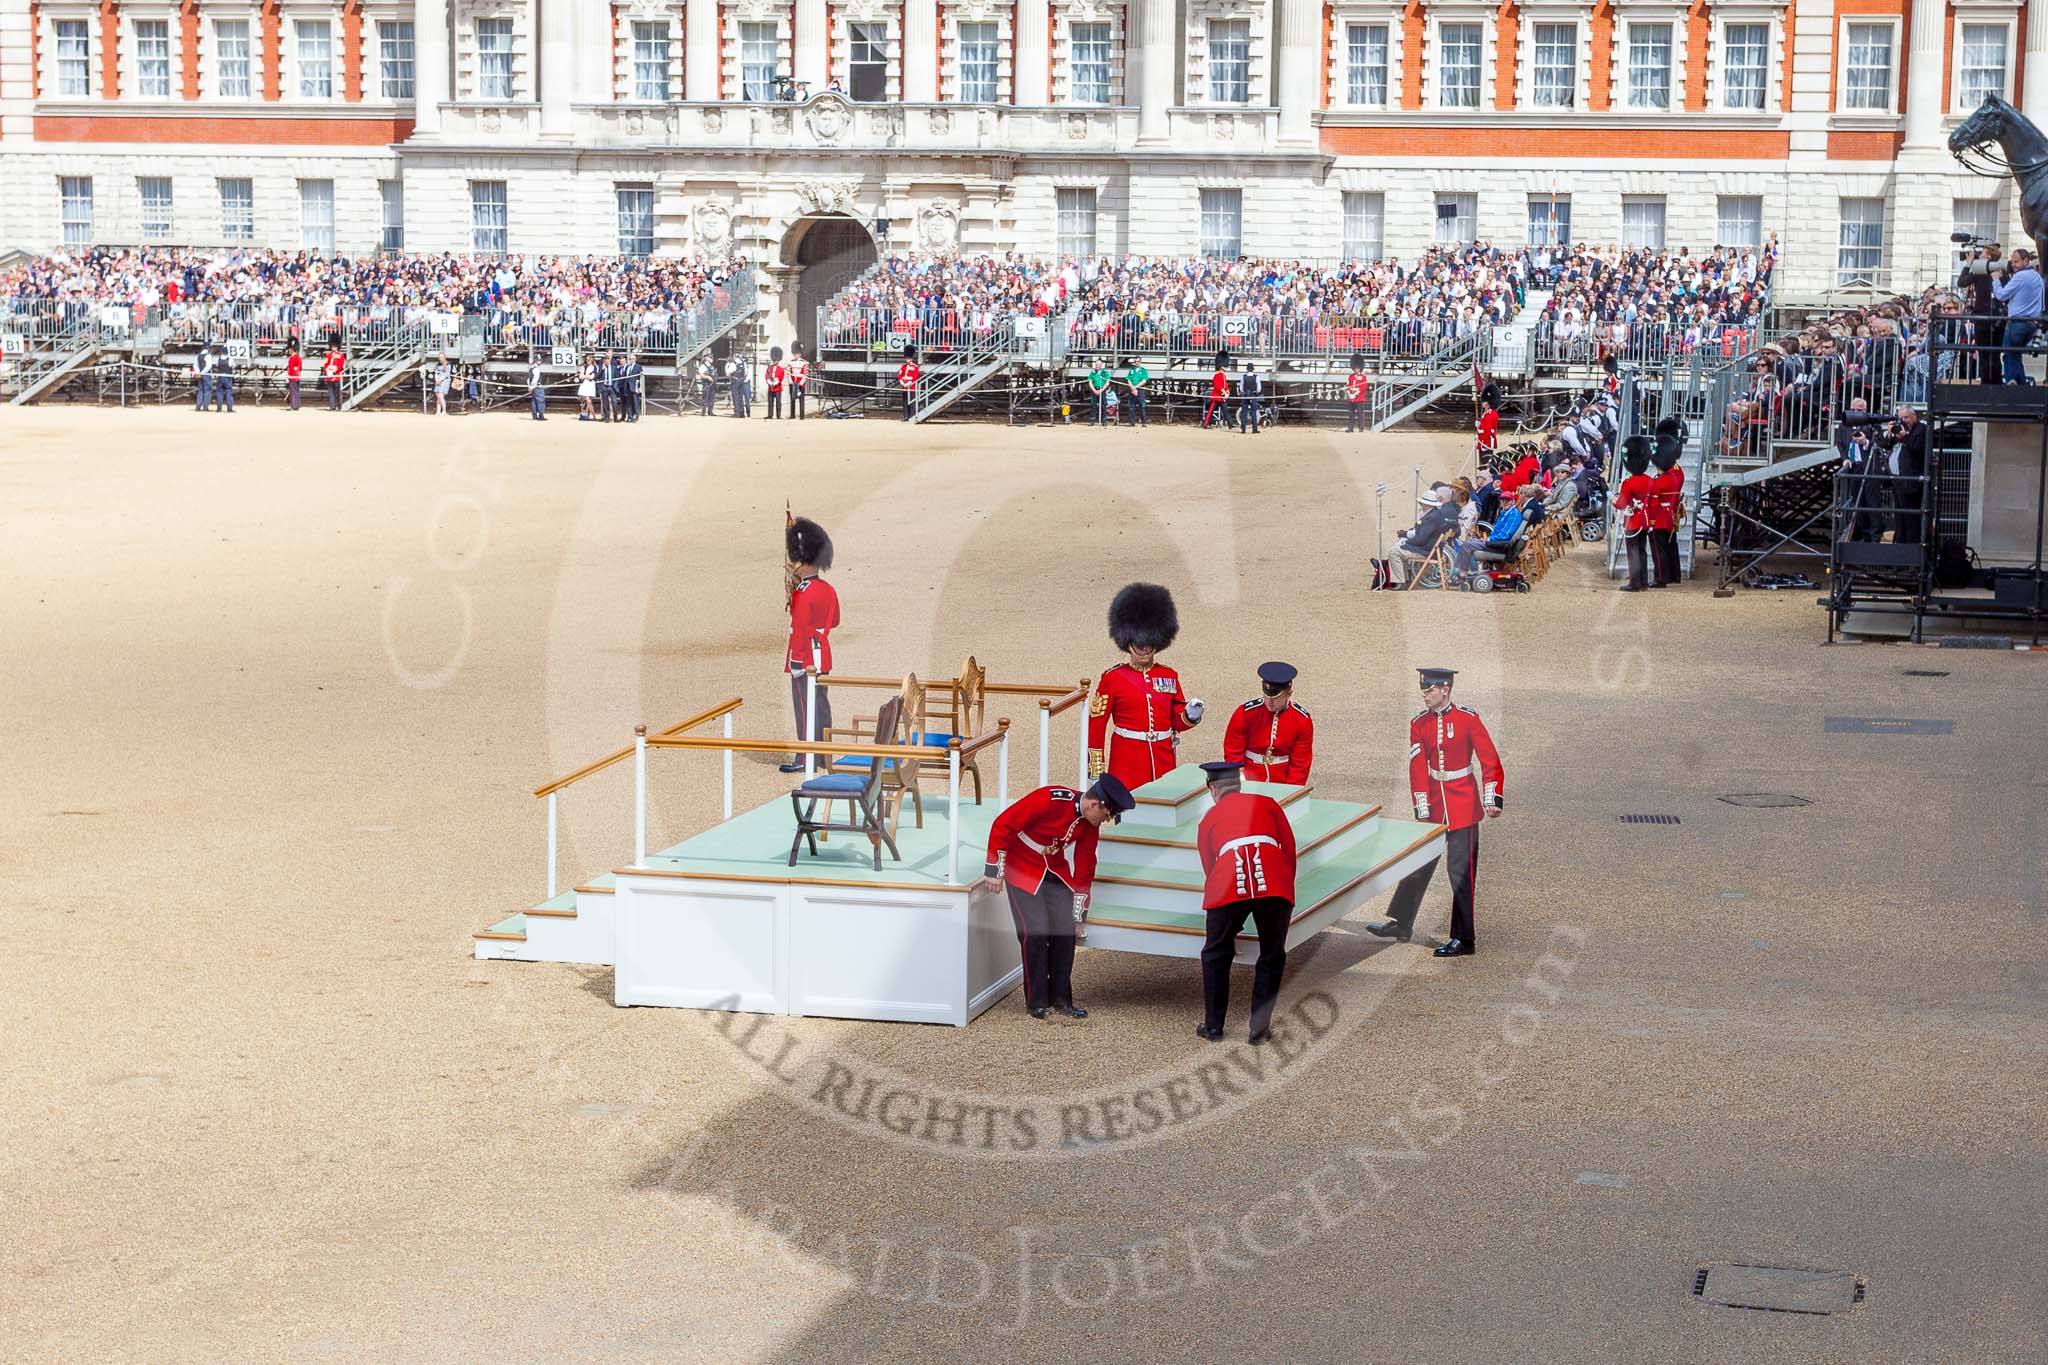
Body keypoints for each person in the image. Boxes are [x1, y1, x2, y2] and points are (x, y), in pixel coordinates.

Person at [1366, 667, 1504, 958]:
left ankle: (1464, 938)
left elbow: (1489, 759)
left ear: (1445, 689)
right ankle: (1401, 923)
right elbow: (1417, 766)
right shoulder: (1419, 723)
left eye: (1429, 690)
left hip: (1463, 807)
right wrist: (1422, 804)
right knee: (1418, 865)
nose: (1425, 695)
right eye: (1424, 691)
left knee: (1460, 875)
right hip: (1434, 806)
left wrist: (1492, 797)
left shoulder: (1467, 719)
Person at [973, 776, 1134, 1020]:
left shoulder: (1090, 823)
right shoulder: (1049, 799)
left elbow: (1085, 867)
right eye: (1107, 815)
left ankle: (1062, 999)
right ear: (1095, 805)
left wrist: (1079, 916)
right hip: (1022, 867)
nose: (1105, 820)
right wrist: (994, 869)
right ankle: (1037, 1001)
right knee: (1034, 932)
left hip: (1054, 869)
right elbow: (1003, 824)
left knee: (1066, 932)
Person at [1193, 761, 1298, 1044]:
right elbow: (1288, 848)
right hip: (1274, 882)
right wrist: (1285, 886)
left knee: (1215, 953)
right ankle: (1259, 1030)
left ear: (1212, 789)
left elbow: (1209, 864)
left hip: (1227, 881)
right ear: (1238, 785)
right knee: (1272, 955)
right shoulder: (1267, 803)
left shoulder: (1209, 819)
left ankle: (1213, 1026)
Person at [1086, 582, 1204, 792]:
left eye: (1149, 643)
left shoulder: (1168, 675)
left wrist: (1190, 715)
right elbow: (1096, 726)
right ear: (1128, 642)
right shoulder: (1112, 678)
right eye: (1139, 643)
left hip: (1162, 761)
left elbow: (1175, 721)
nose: (1144, 648)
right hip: (1127, 763)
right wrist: (1096, 771)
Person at [782, 516, 840, 774]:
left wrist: (796, 662)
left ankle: (806, 756)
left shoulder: (802, 594)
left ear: (803, 563)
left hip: (804, 657)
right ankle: (822, 753)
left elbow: (800, 631)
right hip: (822, 654)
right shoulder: (827, 589)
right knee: (821, 705)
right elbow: (835, 620)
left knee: (804, 707)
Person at [1221, 661, 1313, 784]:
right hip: (1249, 777)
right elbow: (1233, 751)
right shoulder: (1245, 713)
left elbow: (1300, 765)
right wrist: (1240, 780)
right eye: (1267, 695)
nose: (1269, 701)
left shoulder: (1302, 720)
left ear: (1289, 694)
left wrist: (1290, 791)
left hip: (1281, 779)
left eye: (1276, 698)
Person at [1382, 488, 1460, 587]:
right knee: (1399, 550)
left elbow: (1421, 539)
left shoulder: (1431, 517)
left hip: (1425, 551)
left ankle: (1400, 581)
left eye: (1421, 503)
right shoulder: (1435, 514)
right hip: (1430, 548)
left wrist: (1407, 542)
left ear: (1426, 505)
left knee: (1394, 551)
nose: (1421, 505)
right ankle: (1404, 580)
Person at [1992, 248, 2042, 385]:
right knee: (2015, 355)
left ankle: (2012, 382)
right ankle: (2021, 385)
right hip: (2032, 324)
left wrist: (1996, 280)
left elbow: (2001, 295)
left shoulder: (2020, 277)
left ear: (2026, 261)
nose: (2013, 264)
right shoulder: (2037, 276)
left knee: (2009, 355)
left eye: (2016, 261)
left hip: (2017, 323)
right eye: (2012, 261)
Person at [1648, 414, 1685, 587]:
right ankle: (1673, 575)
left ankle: (1661, 578)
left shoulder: (1663, 479)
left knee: (1660, 548)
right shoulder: (1677, 473)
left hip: (1661, 517)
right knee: (1671, 545)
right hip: (1671, 514)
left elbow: (1654, 501)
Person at [1614, 433, 1654, 592]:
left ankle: (1635, 583)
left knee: (1633, 552)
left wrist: (1613, 501)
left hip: (1632, 522)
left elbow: (1621, 504)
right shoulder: (1650, 480)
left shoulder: (1629, 483)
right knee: (1642, 551)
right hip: (1645, 520)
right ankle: (1643, 581)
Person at [1888, 404, 1930, 545]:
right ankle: (1899, 544)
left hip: (1911, 482)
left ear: (1914, 417)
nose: (1903, 421)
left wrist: (1905, 436)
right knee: (1899, 517)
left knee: (1911, 518)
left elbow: (1918, 449)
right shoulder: (1899, 431)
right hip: (1897, 481)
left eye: (1906, 417)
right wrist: (1890, 433)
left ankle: (1911, 548)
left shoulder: (1921, 429)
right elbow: (1883, 444)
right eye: (1901, 418)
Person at [1203, 357, 1232, 429]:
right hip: (1216, 396)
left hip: (1221, 397)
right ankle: (1206, 424)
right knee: (1210, 411)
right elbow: (1217, 385)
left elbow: (1225, 385)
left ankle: (1230, 424)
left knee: (1226, 411)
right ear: (1221, 367)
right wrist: (1224, 391)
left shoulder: (1223, 375)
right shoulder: (1217, 375)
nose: (1226, 368)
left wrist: (1227, 390)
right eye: (1225, 366)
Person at [1344, 355, 1370, 433]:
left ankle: (1361, 428)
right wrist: (1349, 393)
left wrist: (1355, 393)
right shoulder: (1351, 376)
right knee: (1351, 414)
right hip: (1351, 399)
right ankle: (1350, 428)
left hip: (1359, 398)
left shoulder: (1363, 377)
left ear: (1360, 368)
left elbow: (1364, 387)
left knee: (1360, 414)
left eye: (1357, 368)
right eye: (1355, 368)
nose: (1356, 369)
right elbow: (1348, 385)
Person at [1475, 384, 1500, 464]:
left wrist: (1482, 441)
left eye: (1483, 401)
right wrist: (1479, 424)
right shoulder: (1487, 413)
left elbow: (1487, 430)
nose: (1482, 403)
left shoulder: (1490, 413)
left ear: (1487, 403)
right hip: (1484, 440)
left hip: (1486, 442)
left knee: (1485, 463)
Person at [1237, 364, 1264, 434]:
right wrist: (1256, 393)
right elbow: (1259, 388)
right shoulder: (1256, 377)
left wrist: (1243, 393)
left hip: (1245, 395)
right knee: (1254, 412)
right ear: (1252, 369)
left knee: (1244, 412)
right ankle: (1254, 429)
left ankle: (1243, 429)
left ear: (1247, 369)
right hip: (1253, 395)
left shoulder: (1244, 377)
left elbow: (1241, 387)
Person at [897, 344, 921, 420]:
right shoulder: (903, 366)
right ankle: (906, 416)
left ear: (911, 358)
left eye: (908, 358)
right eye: (906, 358)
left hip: (911, 387)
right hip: (904, 387)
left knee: (912, 402)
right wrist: (902, 382)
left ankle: (912, 416)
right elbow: (900, 375)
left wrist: (909, 383)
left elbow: (915, 377)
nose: (907, 359)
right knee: (905, 402)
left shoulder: (915, 367)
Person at [1123, 358, 1149, 426]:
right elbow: (1128, 379)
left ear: (1140, 362)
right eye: (1135, 361)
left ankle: (1144, 422)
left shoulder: (1143, 370)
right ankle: (1132, 422)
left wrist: (1135, 387)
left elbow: (1144, 380)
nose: (1136, 363)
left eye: (1138, 361)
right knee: (1131, 407)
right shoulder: (1131, 370)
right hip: (1132, 390)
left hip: (1140, 390)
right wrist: (1132, 388)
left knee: (1142, 406)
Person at [210, 345, 235, 412]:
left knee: (219, 392)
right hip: (228, 377)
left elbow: (217, 366)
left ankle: (219, 408)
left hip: (220, 377)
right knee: (229, 392)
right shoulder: (230, 359)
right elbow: (233, 366)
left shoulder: (218, 359)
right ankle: (229, 408)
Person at [788, 348, 810, 419]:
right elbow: (788, 373)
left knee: (801, 400)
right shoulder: (791, 362)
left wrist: (801, 383)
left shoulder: (804, 362)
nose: (795, 355)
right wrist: (790, 381)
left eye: (797, 353)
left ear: (800, 354)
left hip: (800, 383)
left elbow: (806, 374)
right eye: (794, 353)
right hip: (793, 382)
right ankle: (792, 415)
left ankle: (802, 415)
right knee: (792, 399)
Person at [322, 345, 346, 410]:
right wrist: (327, 370)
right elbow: (325, 364)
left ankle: (338, 405)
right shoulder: (328, 355)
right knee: (331, 392)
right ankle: (332, 406)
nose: (333, 348)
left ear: (337, 347)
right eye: (332, 347)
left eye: (334, 347)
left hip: (337, 375)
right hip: (329, 376)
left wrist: (335, 370)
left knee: (337, 392)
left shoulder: (341, 355)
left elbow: (341, 365)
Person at [765, 346, 786, 420]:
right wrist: (770, 383)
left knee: (778, 402)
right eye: (774, 360)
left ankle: (778, 415)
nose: (774, 361)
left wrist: (775, 382)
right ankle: (770, 415)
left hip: (777, 388)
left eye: (776, 360)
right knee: (770, 402)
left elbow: (781, 378)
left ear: (778, 360)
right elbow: (767, 376)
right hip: (770, 387)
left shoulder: (781, 369)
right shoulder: (769, 368)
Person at [284, 344, 303, 411]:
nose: (289, 351)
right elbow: (300, 368)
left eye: (289, 349)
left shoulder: (292, 358)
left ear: (292, 350)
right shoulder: (299, 357)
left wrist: (288, 375)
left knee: (293, 392)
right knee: (297, 391)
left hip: (292, 376)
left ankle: (293, 405)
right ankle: (297, 405)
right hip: (297, 375)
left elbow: (291, 368)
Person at [527, 356, 547, 421]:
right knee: (541, 400)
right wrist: (532, 387)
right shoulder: (536, 369)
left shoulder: (531, 368)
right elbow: (535, 379)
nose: (540, 361)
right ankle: (541, 416)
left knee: (534, 401)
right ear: (536, 361)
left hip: (533, 386)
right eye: (539, 360)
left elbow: (528, 379)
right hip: (537, 386)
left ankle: (534, 416)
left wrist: (529, 386)